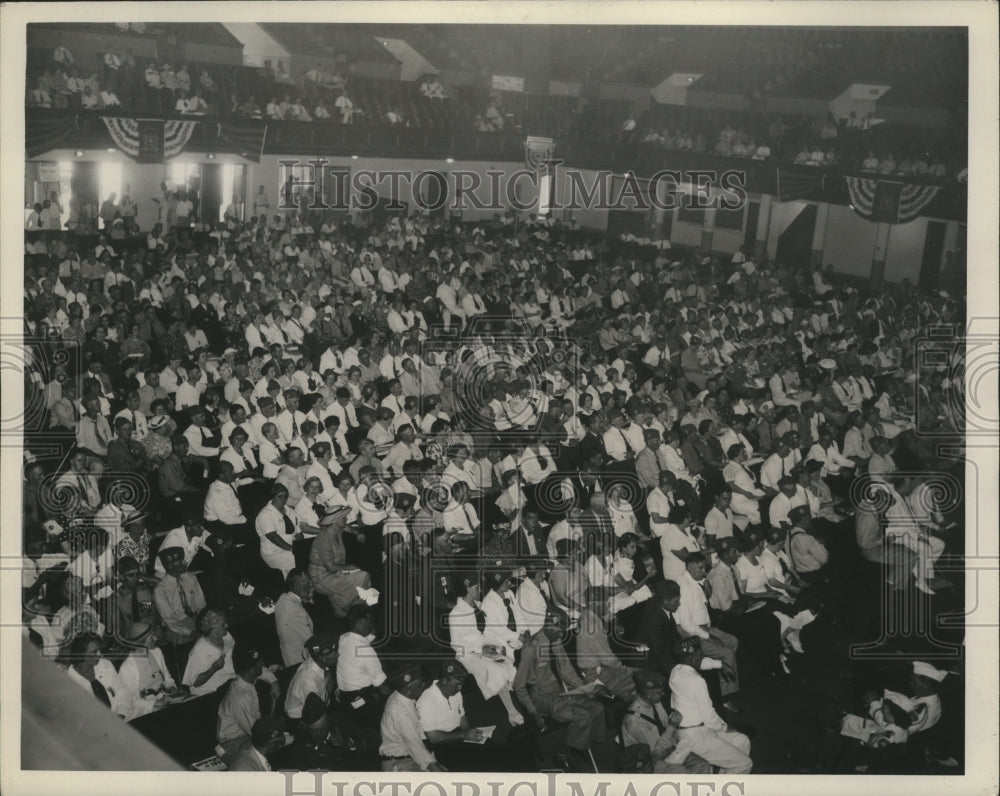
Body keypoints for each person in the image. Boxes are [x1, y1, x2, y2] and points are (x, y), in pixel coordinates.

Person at [513, 610, 608, 770]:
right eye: (558, 630)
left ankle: (583, 744)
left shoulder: (555, 640)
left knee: (598, 708)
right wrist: (533, 712)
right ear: (548, 624)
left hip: (562, 691)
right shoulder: (531, 648)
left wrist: (584, 689)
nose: (561, 634)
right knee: (582, 715)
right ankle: (566, 753)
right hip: (542, 697)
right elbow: (518, 686)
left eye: (562, 631)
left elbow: (566, 671)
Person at [667, 636, 753, 774]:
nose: (703, 657)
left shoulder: (676, 671)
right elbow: (709, 716)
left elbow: (697, 662)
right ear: (696, 657)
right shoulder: (697, 682)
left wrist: (720, 664)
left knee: (742, 741)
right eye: (701, 655)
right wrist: (725, 727)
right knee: (745, 764)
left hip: (689, 731)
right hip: (696, 736)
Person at [621, 670, 712, 774]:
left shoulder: (654, 703)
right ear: (649, 694)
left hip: (668, 749)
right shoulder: (634, 720)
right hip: (650, 763)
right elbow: (656, 753)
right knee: (684, 772)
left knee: (703, 765)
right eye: (660, 692)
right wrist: (672, 726)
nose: (663, 693)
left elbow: (664, 725)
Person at [217, 643, 282, 764]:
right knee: (272, 748)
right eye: (259, 662)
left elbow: (262, 671)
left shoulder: (246, 677)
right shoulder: (241, 698)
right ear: (252, 669)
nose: (262, 664)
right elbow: (257, 733)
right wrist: (281, 738)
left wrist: (274, 682)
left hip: (245, 734)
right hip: (233, 743)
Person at [378, 664, 445, 772]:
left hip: (409, 756)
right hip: (399, 763)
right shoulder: (401, 714)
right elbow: (416, 748)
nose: (423, 685)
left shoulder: (402, 696)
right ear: (407, 689)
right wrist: (436, 770)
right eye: (419, 685)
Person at [308, 505, 372, 617]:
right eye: (343, 517)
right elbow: (331, 567)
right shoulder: (324, 538)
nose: (346, 519)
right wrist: (349, 567)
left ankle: (346, 610)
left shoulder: (337, 530)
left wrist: (358, 533)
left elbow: (348, 528)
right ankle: (352, 610)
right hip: (321, 578)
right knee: (364, 576)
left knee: (360, 576)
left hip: (333, 573)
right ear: (334, 521)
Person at [182, 607, 236, 697]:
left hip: (227, 686)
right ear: (211, 628)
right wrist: (213, 668)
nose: (227, 625)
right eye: (223, 624)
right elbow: (194, 682)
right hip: (209, 693)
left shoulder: (227, 637)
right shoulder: (200, 649)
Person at [285, 631, 338, 720]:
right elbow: (315, 712)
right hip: (301, 716)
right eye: (334, 654)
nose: (338, 655)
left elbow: (326, 670)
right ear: (324, 658)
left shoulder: (317, 661)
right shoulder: (309, 680)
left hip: (321, 697)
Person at [275, 569, 315, 666]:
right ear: (296, 586)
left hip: (288, 655)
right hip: (300, 661)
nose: (312, 585)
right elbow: (312, 642)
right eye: (307, 582)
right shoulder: (295, 611)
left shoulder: (283, 598)